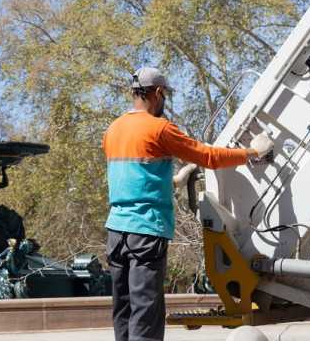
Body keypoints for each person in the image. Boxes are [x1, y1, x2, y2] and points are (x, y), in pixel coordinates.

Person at [102, 67, 273, 341]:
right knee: (146, 308)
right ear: (158, 93)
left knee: (124, 306)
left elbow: (133, 176)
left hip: (116, 231)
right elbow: (209, 157)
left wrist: (172, 180)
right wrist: (253, 152)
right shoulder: (160, 128)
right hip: (145, 229)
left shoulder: (113, 129)